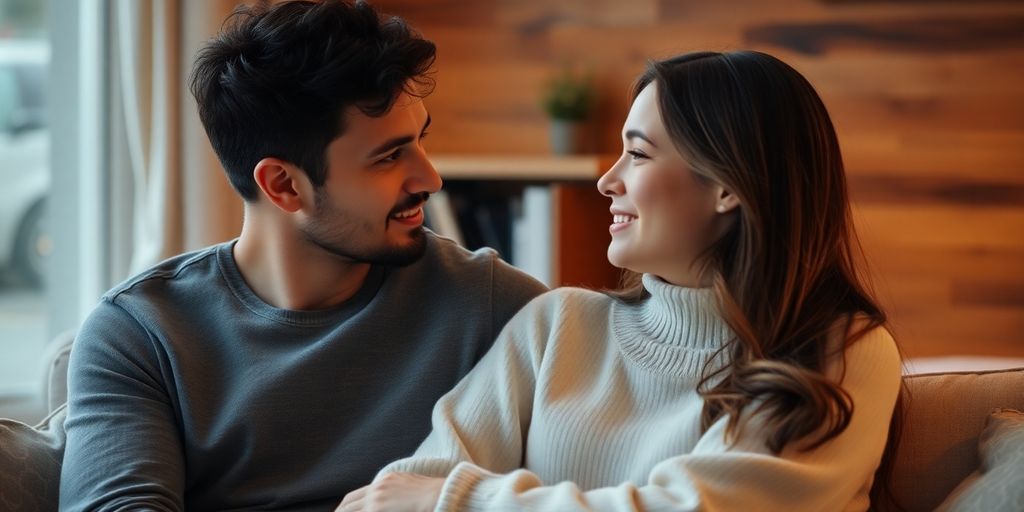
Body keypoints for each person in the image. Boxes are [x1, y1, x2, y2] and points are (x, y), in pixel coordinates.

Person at [338, 50, 904, 512]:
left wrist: (460, 501)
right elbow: (414, 482)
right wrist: (429, 493)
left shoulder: (838, 353)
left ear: (727, 185)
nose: (608, 180)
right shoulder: (557, 324)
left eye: (637, 153)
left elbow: (694, 507)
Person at [59, 1, 547, 510]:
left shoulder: (493, 307)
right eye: (387, 157)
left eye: (420, 141)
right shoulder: (141, 334)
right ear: (283, 185)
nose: (430, 179)